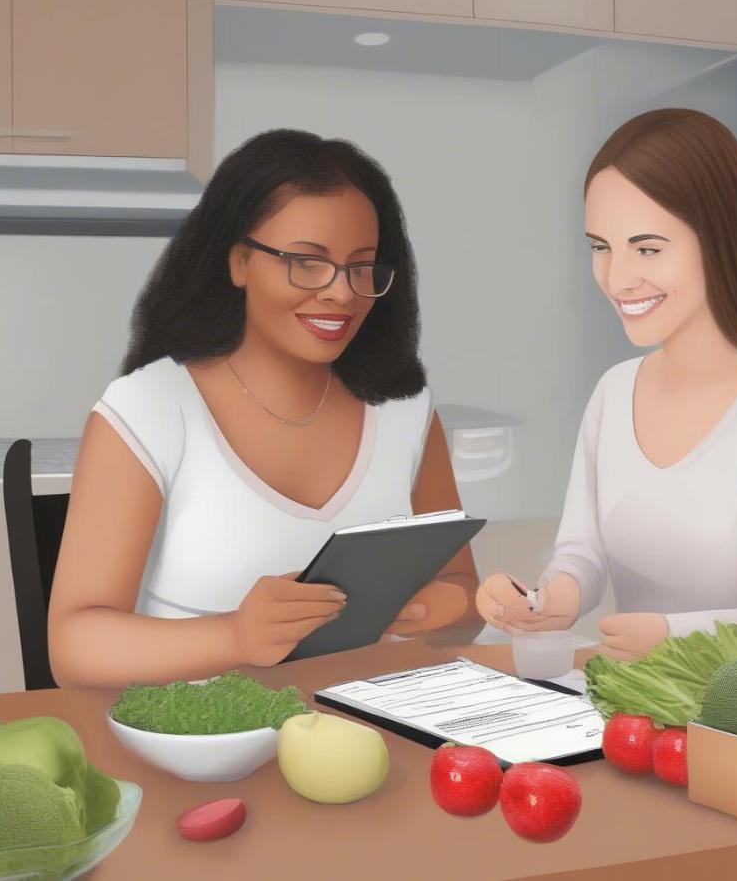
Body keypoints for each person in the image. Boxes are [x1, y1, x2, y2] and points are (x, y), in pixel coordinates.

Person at [48, 129, 482, 688]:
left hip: (370, 736)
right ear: (238, 262)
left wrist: (440, 608)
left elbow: (466, 599)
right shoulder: (149, 410)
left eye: (361, 266)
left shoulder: (405, 411)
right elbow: (73, 647)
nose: (342, 293)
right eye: (307, 262)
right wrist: (233, 636)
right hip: (201, 750)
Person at [476, 108, 737, 661]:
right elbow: (584, 557)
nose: (617, 278)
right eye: (601, 247)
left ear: (719, 239)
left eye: (647, 248)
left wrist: (671, 635)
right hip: (632, 708)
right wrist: (545, 600)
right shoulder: (614, 391)